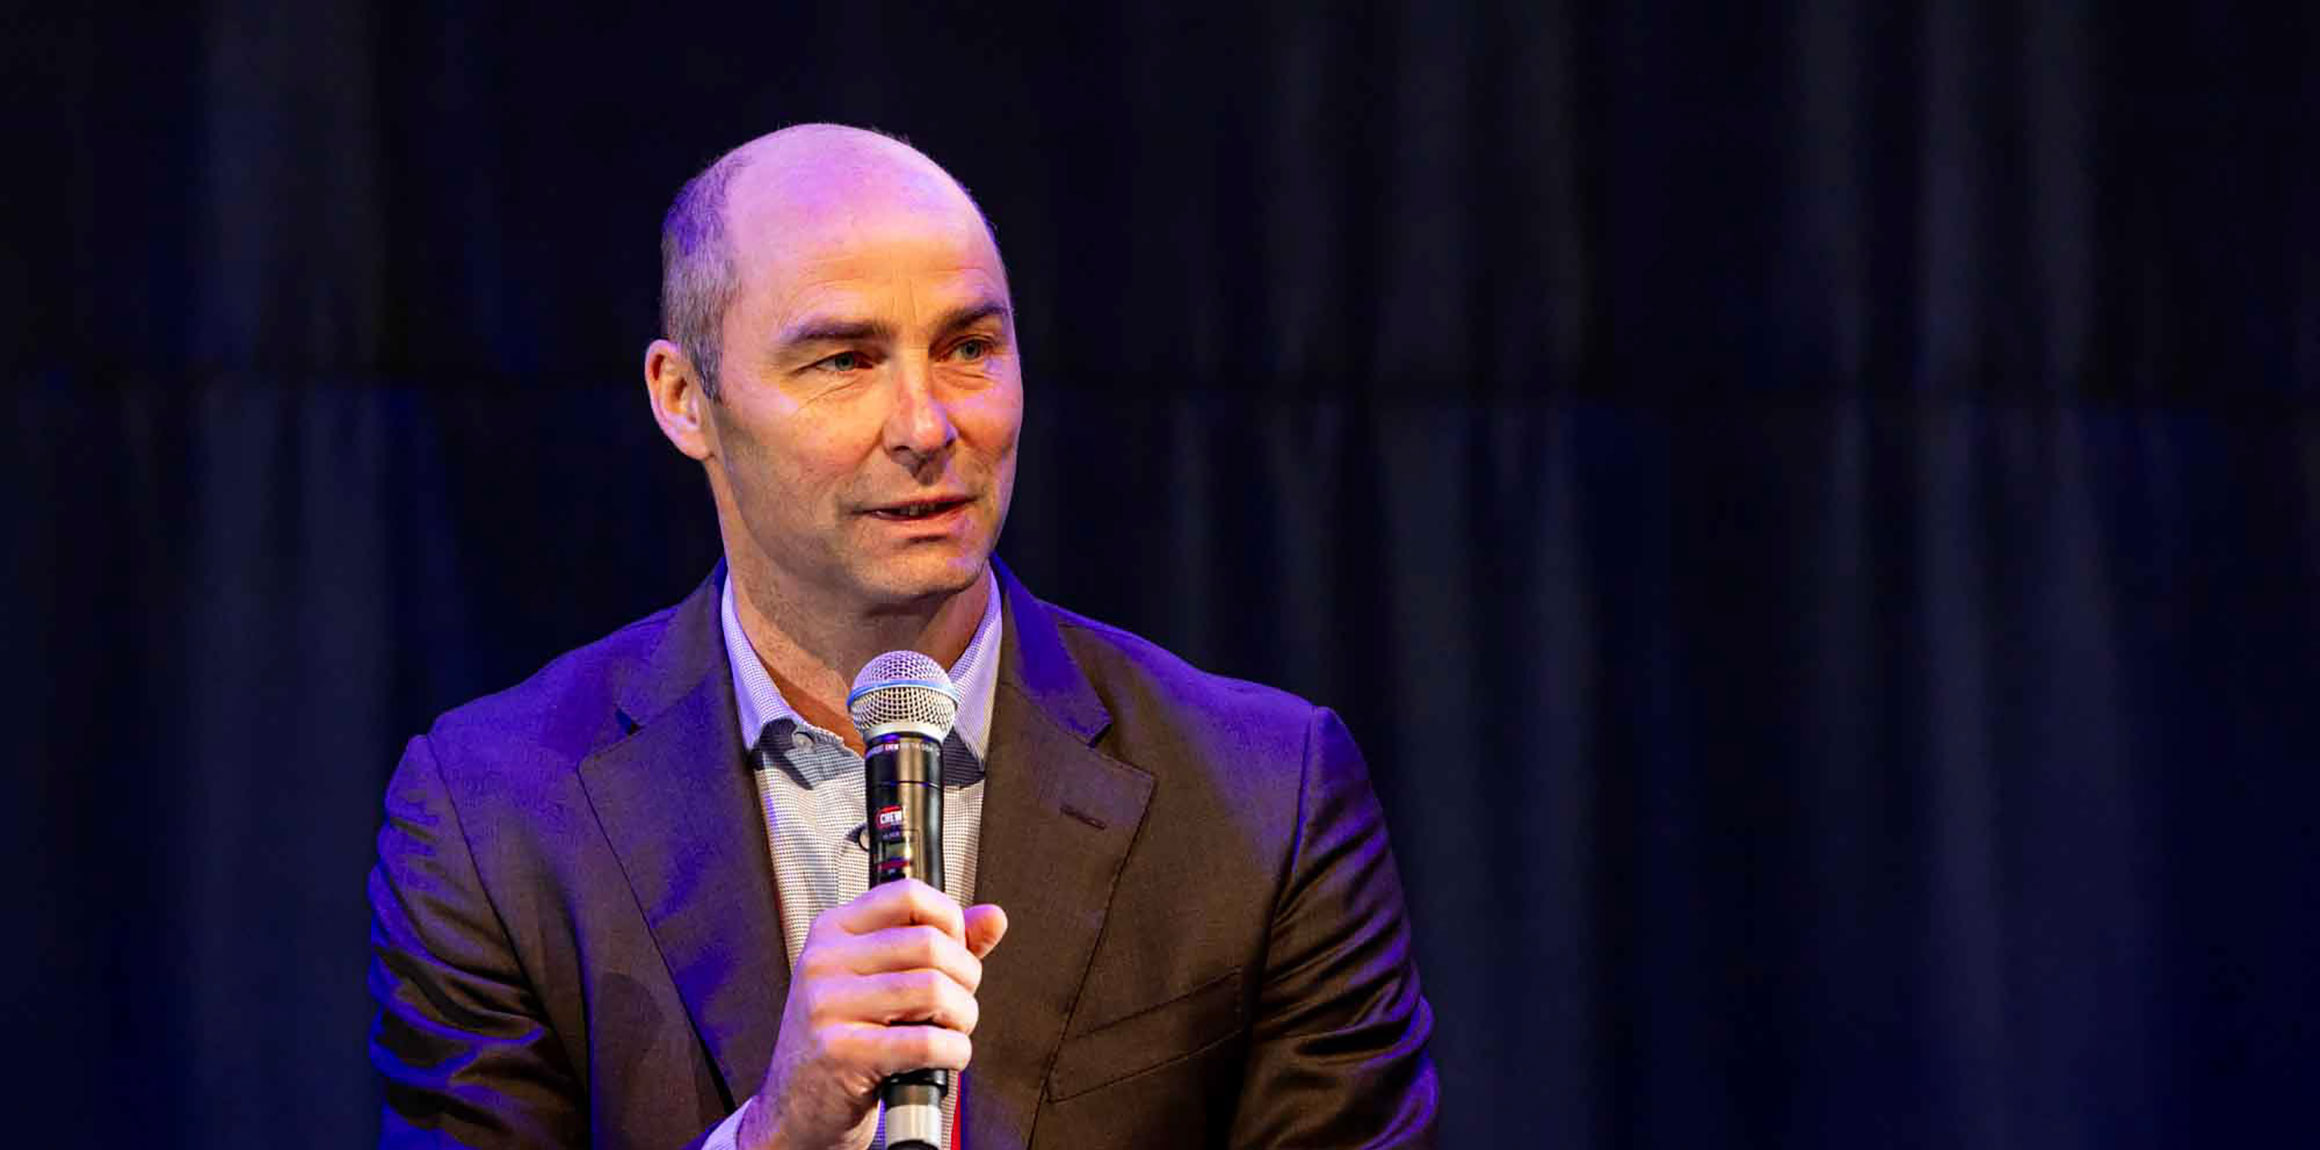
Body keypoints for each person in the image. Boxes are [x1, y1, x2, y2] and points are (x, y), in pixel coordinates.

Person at [367, 123, 1437, 1149]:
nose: (927, 426)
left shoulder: (1263, 796)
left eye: (969, 347)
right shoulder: (496, 817)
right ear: (685, 399)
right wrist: (775, 1136)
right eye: (844, 360)